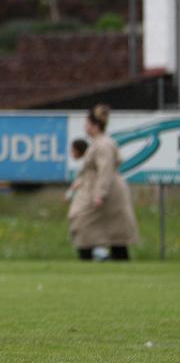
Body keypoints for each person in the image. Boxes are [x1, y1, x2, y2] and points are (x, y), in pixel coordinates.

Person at [67, 104, 139, 261]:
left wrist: (100, 194)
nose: (85, 127)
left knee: (82, 220)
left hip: (108, 192)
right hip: (97, 189)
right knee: (106, 228)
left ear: (94, 126)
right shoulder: (98, 143)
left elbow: (105, 170)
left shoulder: (104, 144)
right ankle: (104, 257)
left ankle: (93, 257)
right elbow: (91, 170)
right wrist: (79, 182)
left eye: (87, 124)